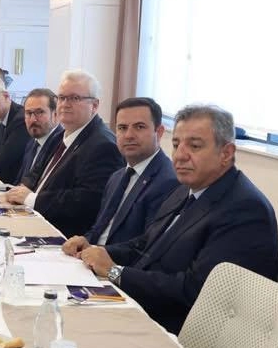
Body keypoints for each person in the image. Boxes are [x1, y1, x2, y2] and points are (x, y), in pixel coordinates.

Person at [78, 105, 278, 334]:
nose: (180, 155)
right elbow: (147, 243)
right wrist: (96, 251)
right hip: (141, 306)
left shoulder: (245, 209)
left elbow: (195, 290)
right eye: (176, 145)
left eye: (194, 146)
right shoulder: (187, 187)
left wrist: (115, 272)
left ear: (226, 153)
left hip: (179, 330)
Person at [6, 70, 124, 237]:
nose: (65, 104)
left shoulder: (103, 145)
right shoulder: (63, 134)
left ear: (95, 105)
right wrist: (21, 189)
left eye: (74, 98)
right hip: (31, 218)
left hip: (62, 235)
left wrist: (32, 199)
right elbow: (36, 172)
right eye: (61, 97)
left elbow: (87, 201)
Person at [63, 97, 179, 252]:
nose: (129, 135)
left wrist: (103, 253)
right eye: (122, 128)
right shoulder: (116, 177)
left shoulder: (168, 181)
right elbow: (100, 228)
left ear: (158, 132)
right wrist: (85, 240)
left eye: (139, 127)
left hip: (117, 264)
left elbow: (148, 245)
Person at [14, 88, 64, 185]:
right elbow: (19, 182)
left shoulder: (61, 146)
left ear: (56, 114)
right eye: (28, 113)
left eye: (40, 112)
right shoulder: (32, 143)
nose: (33, 119)